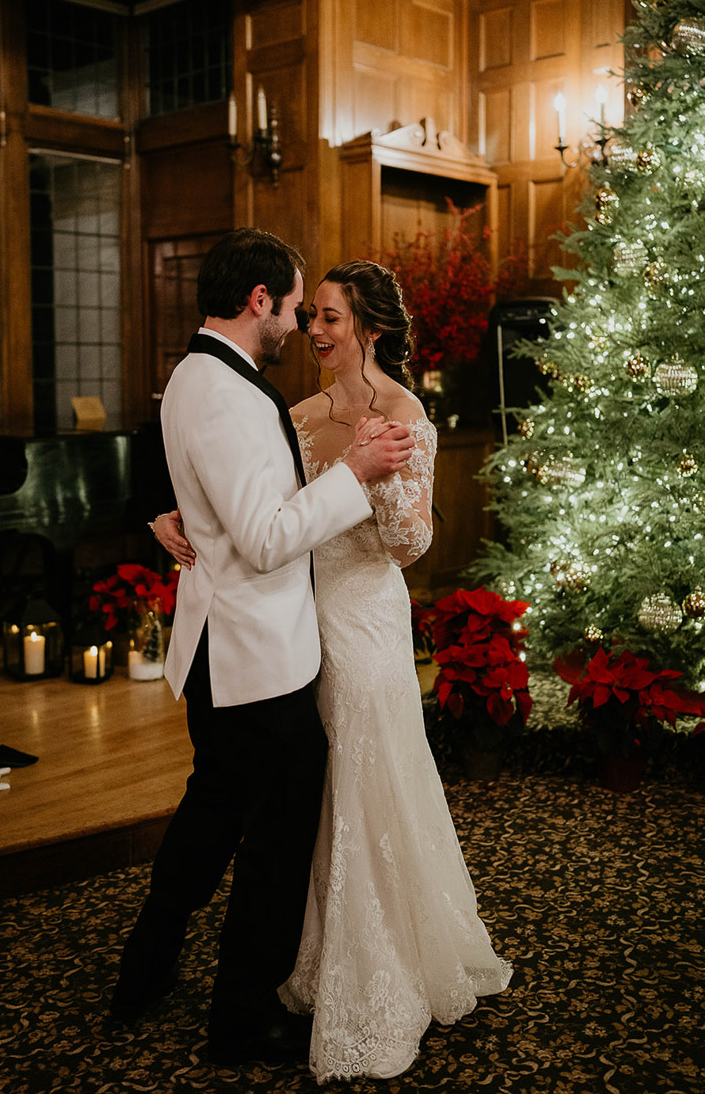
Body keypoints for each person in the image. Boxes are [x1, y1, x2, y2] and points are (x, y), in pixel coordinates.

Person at [154, 258, 512, 1083]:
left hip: (366, 616)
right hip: (294, 616)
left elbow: (410, 543)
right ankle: (303, 950)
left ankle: (382, 952)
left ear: (370, 329)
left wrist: (377, 480)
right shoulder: (294, 412)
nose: (314, 331)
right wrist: (174, 514)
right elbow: (256, 509)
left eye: (331, 319)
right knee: (302, 794)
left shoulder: (403, 410)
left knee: (368, 775)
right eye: (308, 314)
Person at [109, 229, 415, 1068]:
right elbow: (270, 536)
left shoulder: (196, 376)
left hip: (233, 643)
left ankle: (145, 968)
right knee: (274, 841)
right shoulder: (228, 393)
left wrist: (176, 514)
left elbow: (216, 493)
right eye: (291, 306)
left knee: (209, 818)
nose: (296, 324)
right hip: (256, 655)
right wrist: (353, 474)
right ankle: (240, 1019)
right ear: (259, 301)